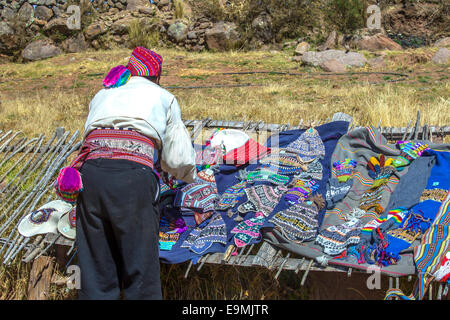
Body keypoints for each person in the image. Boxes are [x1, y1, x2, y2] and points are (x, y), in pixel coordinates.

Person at [74, 47, 196, 300]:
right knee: (139, 264)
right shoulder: (163, 97)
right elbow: (178, 158)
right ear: (156, 76)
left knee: (96, 265)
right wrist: (185, 177)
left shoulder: (102, 94)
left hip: (91, 177)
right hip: (132, 178)